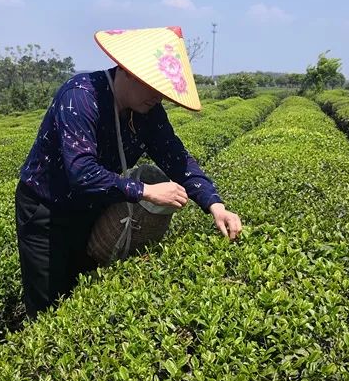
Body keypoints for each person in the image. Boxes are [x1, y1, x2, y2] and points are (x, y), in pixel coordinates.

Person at [15, 26, 242, 318]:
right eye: (154, 88)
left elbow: (177, 158)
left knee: (83, 295)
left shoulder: (147, 112)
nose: (159, 98)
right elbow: (82, 171)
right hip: (47, 210)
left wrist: (215, 205)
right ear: (129, 72)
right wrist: (146, 192)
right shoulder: (81, 97)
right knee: (48, 305)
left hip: (93, 207)